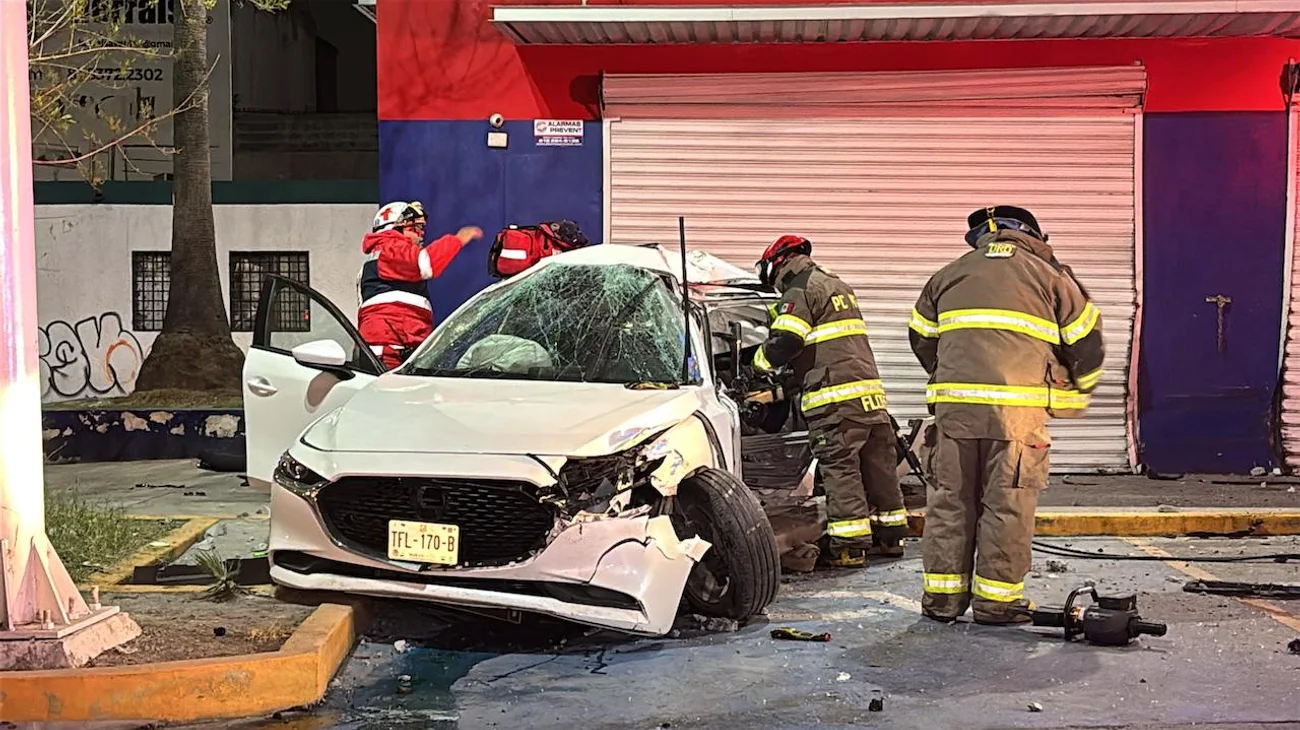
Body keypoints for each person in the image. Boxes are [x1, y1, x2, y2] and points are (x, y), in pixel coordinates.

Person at [908, 205, 1105, 625]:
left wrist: (954, 380)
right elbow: (1087, 344)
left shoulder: (947, 275)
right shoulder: (1051, 277)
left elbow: (921, 339)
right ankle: (997, 604)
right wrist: (1069, 384)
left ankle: (942, 603)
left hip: (955, 412)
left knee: (949, 504)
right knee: (1007, 505)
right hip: (1016, 417)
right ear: (1031, 235)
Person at [750, 235, 910, 568]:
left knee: (841, 471)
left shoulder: (799, 290)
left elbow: (788, 341)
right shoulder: (837, 286)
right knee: (879, 469)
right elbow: (822, 354)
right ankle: (892, 538)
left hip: (835, 403)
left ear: (776, 265)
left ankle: (850, 548)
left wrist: (759, 363)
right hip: (868, 398)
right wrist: (778, 391)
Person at [357, 200, 482, 369]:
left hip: (396, 348)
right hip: (390, 351)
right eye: (414, 228)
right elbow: (425, 263)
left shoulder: (381, 257)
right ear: (394, 228)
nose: (420, 234)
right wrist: (458, 240)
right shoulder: (390, 249)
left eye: (421, 228)